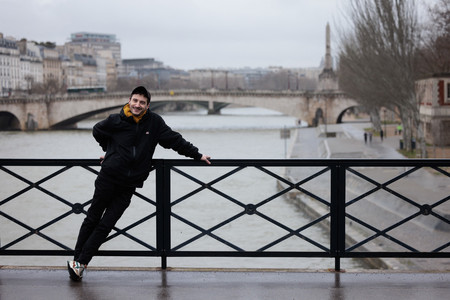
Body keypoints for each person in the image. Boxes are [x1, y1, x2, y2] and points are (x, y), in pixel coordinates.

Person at [67, 86, 211, 281]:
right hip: (108, 178)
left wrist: (197, 154)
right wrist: (110, 151)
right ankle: (78, 262)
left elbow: (174, 141)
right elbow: (97, 131)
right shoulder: (115, 120)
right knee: (92, 218)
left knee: (106, 224)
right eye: (135, 101)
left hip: (129, 183)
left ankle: (80, 263)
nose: (137, 105)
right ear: (129, 100)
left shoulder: (154, 123)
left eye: (142, 102)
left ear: (147, 105)